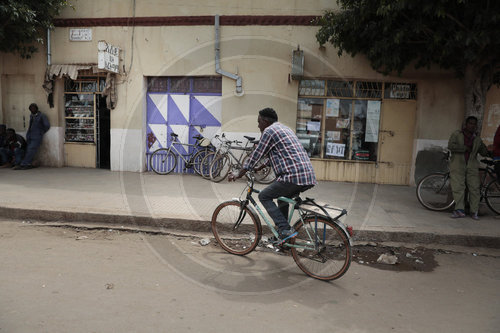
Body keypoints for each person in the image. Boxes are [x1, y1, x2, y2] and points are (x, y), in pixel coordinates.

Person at [229, 107, 317, 244]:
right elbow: (280, 153)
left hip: (293, 176)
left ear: (265, 121)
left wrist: (240, 173)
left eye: (259, 122)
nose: (258, 125)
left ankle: (285, 230)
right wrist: (261, 167)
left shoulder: (269, 131)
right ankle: (282, 239)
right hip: (307, 175)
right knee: (282, 199)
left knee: (264, 196)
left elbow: (257, 154)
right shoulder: (284, 129)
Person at [448, 116, 489, 220]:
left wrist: (490, 150)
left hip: (472, 166)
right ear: (466, 124)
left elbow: (483, 151)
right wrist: (464, 148)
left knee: (474, 188)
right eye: (470, 123)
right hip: (458, 165)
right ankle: (459, 210)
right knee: (458, 187)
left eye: (474, 124)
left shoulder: (477, 138)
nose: (472, 125)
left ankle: (474, 211)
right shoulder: (457, 134)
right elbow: (451, 146)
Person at [13, 103, 50, 170]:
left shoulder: (42, 116)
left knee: (31, 149)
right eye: (31, 109)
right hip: (30, 135)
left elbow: (47, 126)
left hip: (37, 136)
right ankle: (27, 163)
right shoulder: (32, 116)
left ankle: (25, 163)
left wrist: (40, 133)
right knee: (28, 150)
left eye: (33, 108)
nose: (32, 110)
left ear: (36, 108)